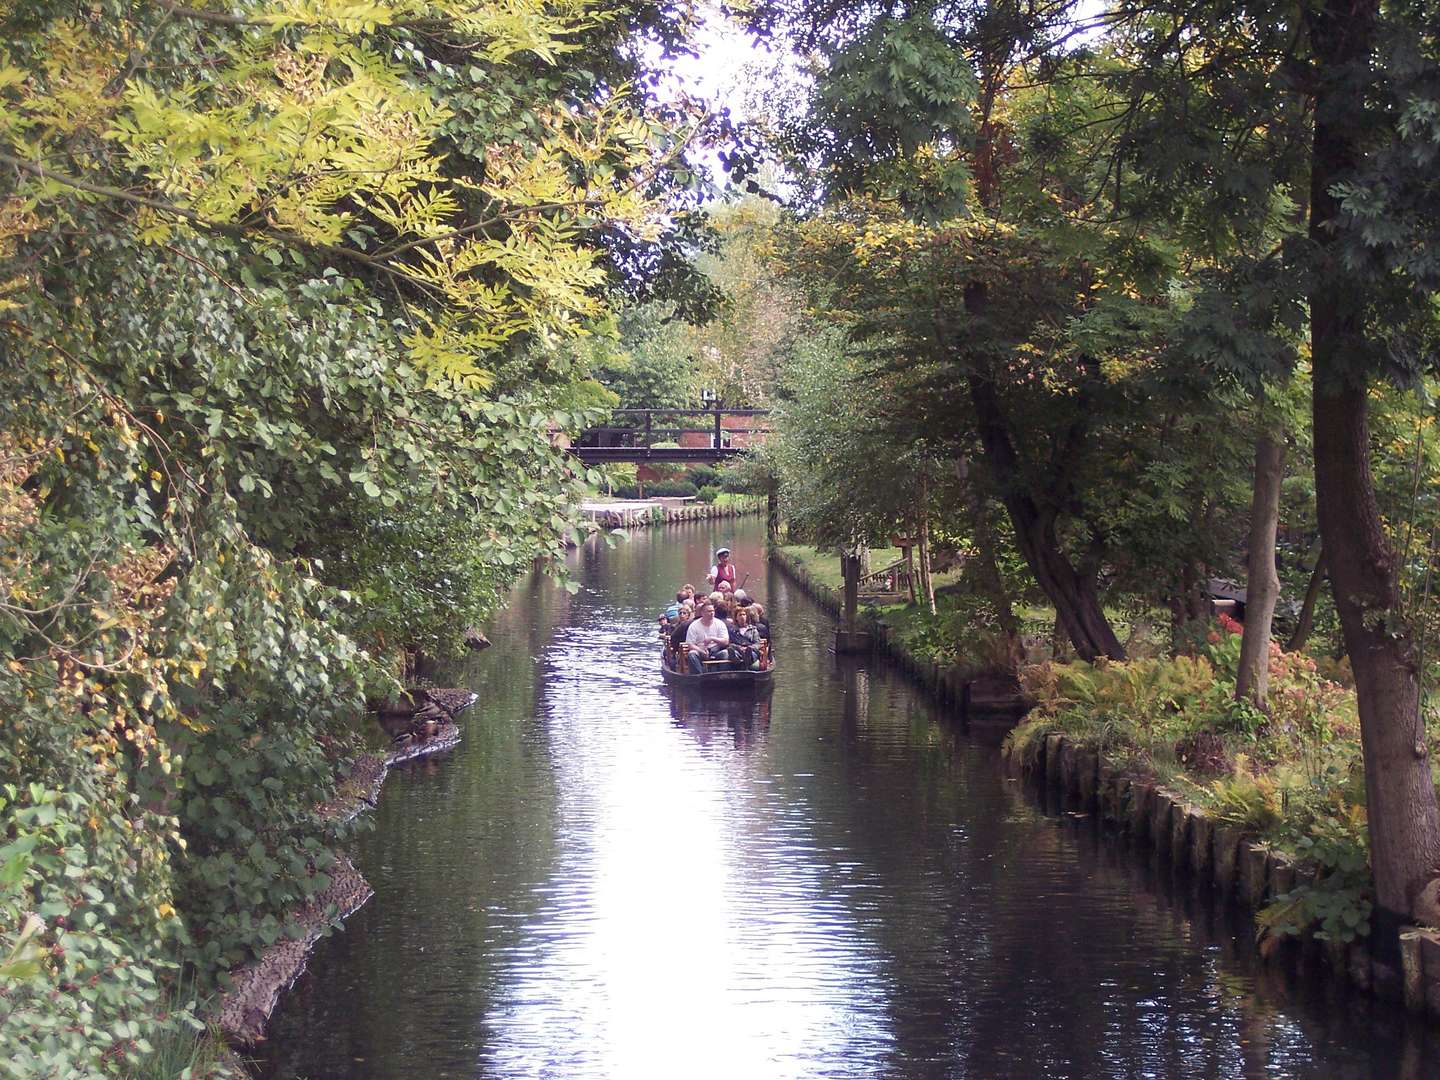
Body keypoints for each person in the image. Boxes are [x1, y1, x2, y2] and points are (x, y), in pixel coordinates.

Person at [685, 601, 730, 673]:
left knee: (726, 653)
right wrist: (701, 651)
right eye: (709, 611)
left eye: (713, 611)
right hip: (700, 650)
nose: (712, 613)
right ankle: (698, 677)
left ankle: (721, 675)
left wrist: (712, 638)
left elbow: (726, 641)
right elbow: (690, 644)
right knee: (692, 654)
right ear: (702, 613)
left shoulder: (720, 624)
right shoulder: (694, 626)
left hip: (716, 650)